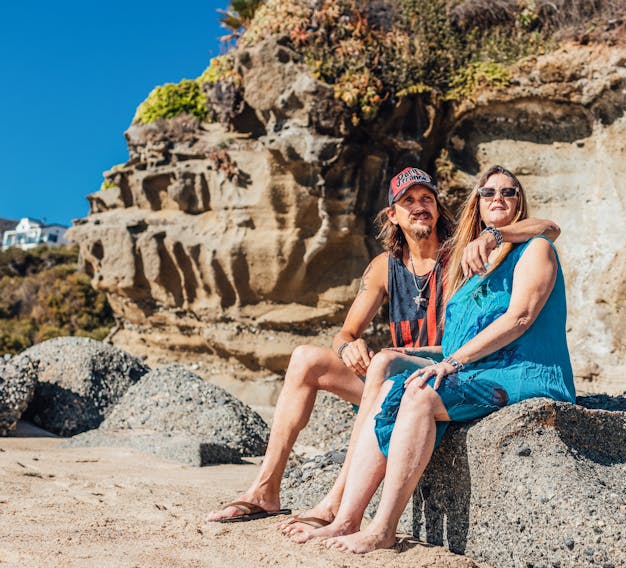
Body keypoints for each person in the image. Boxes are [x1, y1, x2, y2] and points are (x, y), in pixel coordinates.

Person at [207, 166, 559, 523]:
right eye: (408, 201)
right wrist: (348, 348)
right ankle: (265, 490)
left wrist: (494, 235)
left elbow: (548, 229)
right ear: (393, 214)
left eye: (427, 199)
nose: (419, 206)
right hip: (396, 376)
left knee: (386, 360)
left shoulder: (463, 253)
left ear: (438, 208)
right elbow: (345, 333)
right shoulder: (383, 267)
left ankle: (337, 502)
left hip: (445, 374)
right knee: (304, 359)